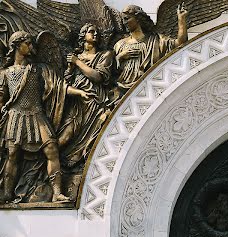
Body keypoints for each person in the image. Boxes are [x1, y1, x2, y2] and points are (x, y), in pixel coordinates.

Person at [0, 31, 89, 203]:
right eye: (28, 43)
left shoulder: (39, 69)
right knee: (12, 154)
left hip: (37, 114)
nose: (31, 47)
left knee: (52, 149)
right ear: (18, 46)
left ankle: (57, 192)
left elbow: (58, 87)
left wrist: (77, 92)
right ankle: (6, 194)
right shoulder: (5, 74)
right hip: (15, 116)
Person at [59, 23, 115, 168]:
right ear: (83, 35)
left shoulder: (105, 55)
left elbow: (98, 77)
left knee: (90, 141)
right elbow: (66, 82)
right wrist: (70, 69)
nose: (95, 34)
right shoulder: (76, 57)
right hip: (76, 104)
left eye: (96, 32)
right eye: (91, 31)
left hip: (95, 104)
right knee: (64, 138)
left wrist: (77, 62)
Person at [114, 4, 188, 96]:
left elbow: (179, 44)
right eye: (123, 20)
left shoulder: (156, 40)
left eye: (127, 18)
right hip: (124, 91)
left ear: (138, 18)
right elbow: (111, 72)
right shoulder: (120, 45)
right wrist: (119, 57)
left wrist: (181, 20)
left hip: (153, 90)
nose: (124, 22)